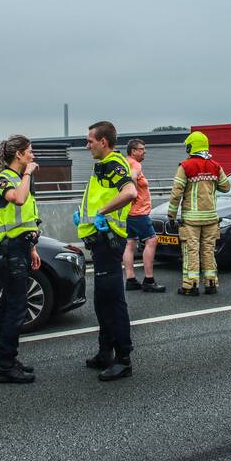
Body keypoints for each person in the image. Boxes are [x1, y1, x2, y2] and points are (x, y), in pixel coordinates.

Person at [75, 121, 137, 380]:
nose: (86, 145)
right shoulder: (102, 165)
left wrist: (102, 212)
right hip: (100, 240)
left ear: (103, 141)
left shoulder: (113, 163)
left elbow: (130, 191)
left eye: (90, 140)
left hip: (108, 241)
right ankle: (105, 352)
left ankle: (123, 358)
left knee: (112, 300)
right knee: (102, 300)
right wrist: (84, 216)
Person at [0, 135, 40, 383]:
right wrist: (28, 175)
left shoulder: (15, 179)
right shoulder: (3, 181)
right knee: (15, 307)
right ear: (19, 155)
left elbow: (23, 219)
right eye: (30, 152)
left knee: (13, 306)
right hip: (10, 250)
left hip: (21, 248)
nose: (33, 156)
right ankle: (5, 365)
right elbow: (19, 199)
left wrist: (32, 248)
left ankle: (9, 357)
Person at [166, 131, 231, 295]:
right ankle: (211, 284)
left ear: (191, 147)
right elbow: (226, 187)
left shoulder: (185, 166)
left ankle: (191, 286)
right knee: (209, 250)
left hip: (191, 219)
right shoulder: (215, 166)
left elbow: (176, 193)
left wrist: (171, 216)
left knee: (191, 251)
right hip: (211, 217)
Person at [122, 139, 165, 293]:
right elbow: (133, 177)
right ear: (133, 151)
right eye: (141, 149)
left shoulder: (125, 162)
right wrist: (133, 195)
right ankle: (149, 280)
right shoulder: (135, 164)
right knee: (152, 240)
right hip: (138, 212)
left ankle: (131, 279)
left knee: (130, 243)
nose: (144, 152)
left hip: (128, 212)